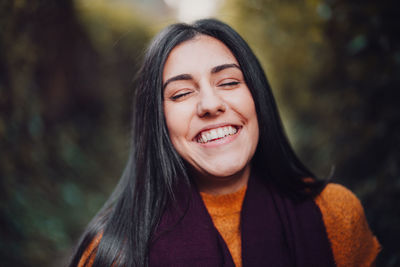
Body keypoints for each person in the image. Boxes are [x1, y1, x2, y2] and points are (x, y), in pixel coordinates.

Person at [69, 19, 380, 267]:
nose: (210, 104)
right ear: (157, 122)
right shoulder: (113, 252)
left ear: (257, 97)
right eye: (181, 93)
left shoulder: (335, 214)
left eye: (229, 82)